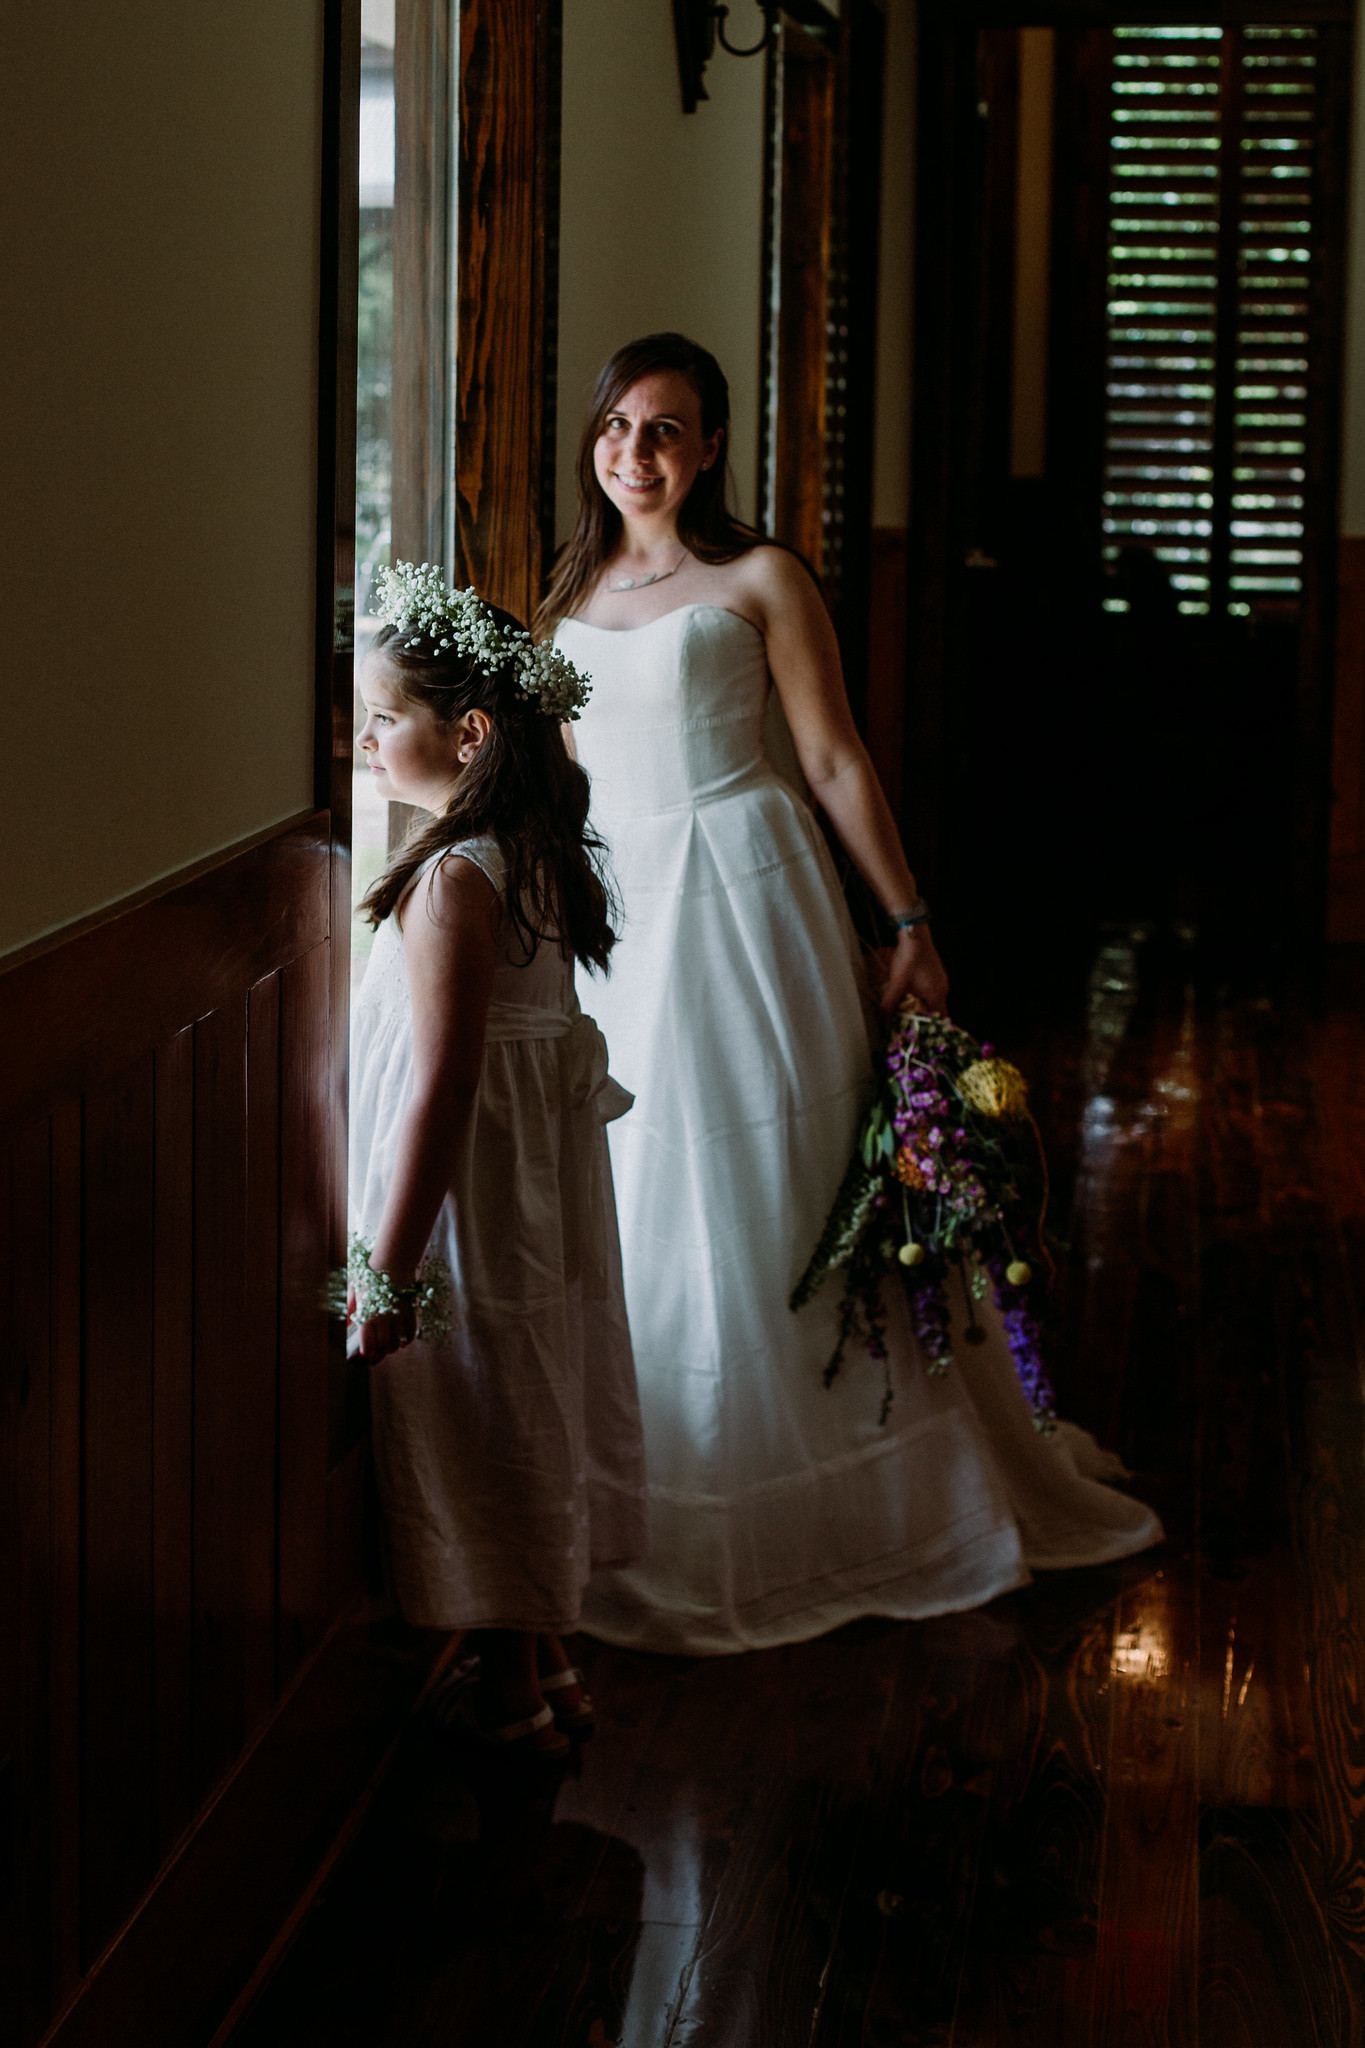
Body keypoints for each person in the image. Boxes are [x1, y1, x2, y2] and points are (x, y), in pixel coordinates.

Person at [541, 333, 1161, 1656]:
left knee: (778, 1173)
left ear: (708, 448)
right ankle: (659, 1486)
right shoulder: (569, 594)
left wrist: (908, 920)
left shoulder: (760, 578)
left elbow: (828, 756)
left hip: (747, 885)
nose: (634, 452)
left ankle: (865, 1484)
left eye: (665, 430)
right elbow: (567, 784)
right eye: (616, 427)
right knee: (641, 1172)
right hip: (624, 909)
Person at [348, 563, 647, 1754]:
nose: (363, 739)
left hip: (469, 1206)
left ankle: (516, 1691)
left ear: (468, 733)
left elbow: (446, 1083)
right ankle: (546, 1651)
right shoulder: (524, 842)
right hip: (532, 1192)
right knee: (524, 1395)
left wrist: (389, 1266)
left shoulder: (453, 879)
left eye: (382, 718)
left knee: (485, 1411)